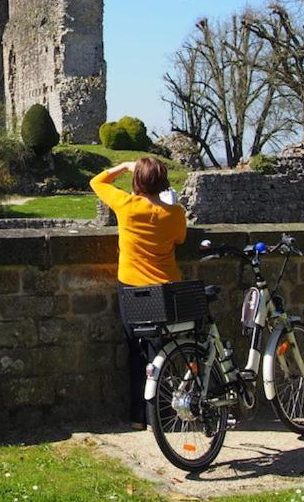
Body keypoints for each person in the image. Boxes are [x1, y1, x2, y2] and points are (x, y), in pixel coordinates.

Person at [90, 157, 187, 429]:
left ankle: (138, 416)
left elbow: (96, 182)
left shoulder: (127, 206)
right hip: (165, 288)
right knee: (164, 350)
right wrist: (170, 203)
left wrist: (124, 166)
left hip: (133, 288)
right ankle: (164, 413)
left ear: (137, 183)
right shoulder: (174, 213)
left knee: (136, 351)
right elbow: (180, 238)